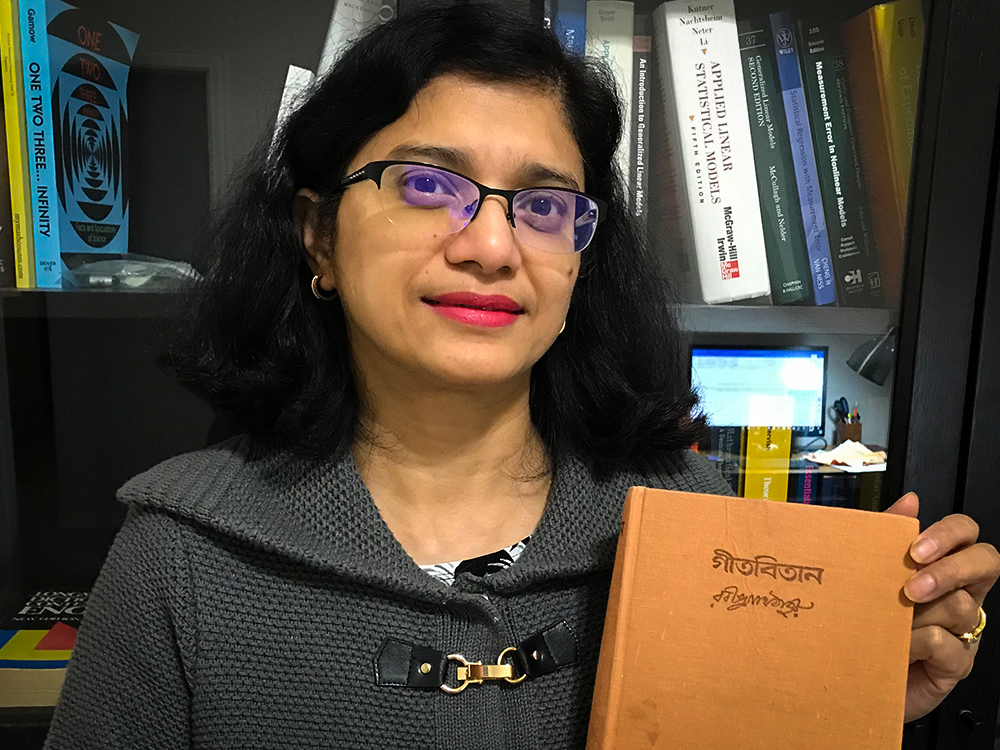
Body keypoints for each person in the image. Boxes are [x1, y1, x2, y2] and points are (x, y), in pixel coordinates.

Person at [44, 4, 998, 749]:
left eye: (544, 204)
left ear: (583, 257)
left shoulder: (697, 529)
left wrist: (845, 703)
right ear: (318, 234)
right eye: (427, 183)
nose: (494, 246)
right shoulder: (178, 558)